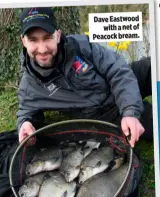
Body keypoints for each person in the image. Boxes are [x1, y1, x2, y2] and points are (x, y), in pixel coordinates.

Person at [17, 7, 152, 149]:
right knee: (153, 122)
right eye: (33, 40)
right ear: (23, 41)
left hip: (117, 84)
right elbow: (25, 114)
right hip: (105, 113)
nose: (42, 49)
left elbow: (117, 69)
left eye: (47, 38)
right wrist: (25, 124)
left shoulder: (80, 45)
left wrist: (130, 111)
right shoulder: (29, 87)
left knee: (152, 66)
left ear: (57, 35)